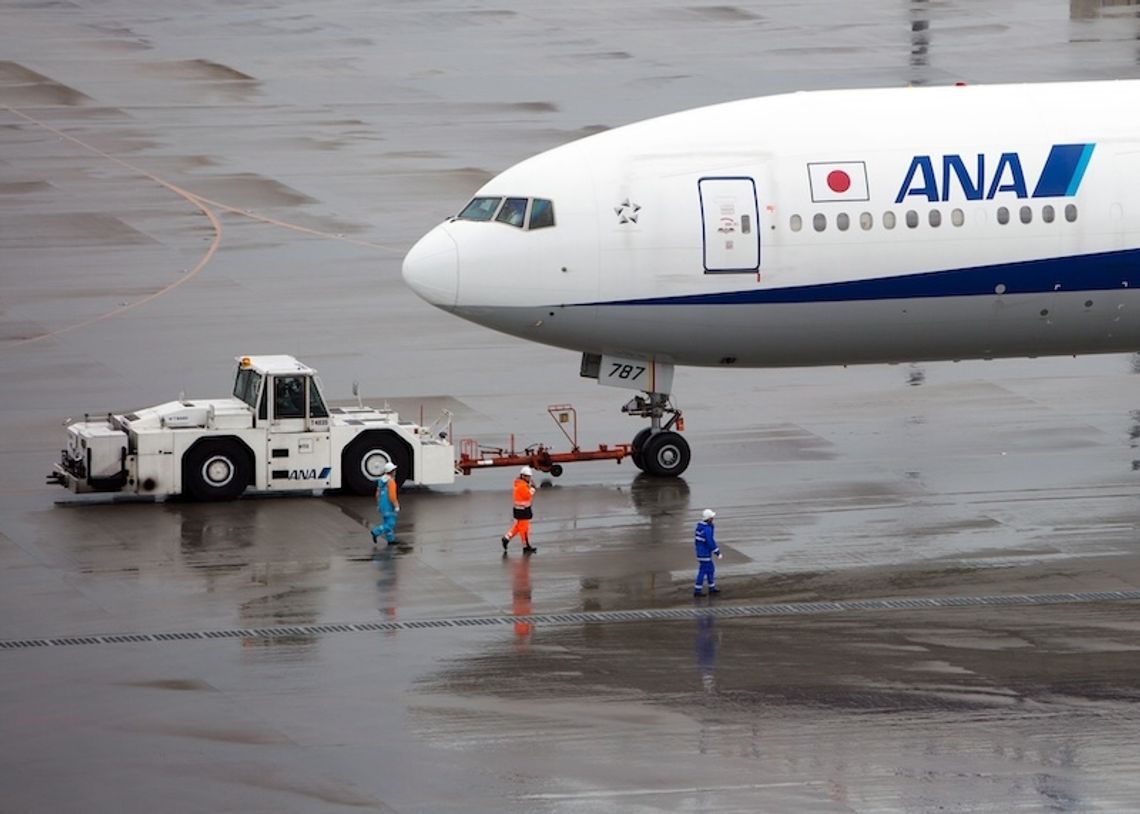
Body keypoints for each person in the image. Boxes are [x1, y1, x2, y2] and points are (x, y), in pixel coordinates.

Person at [501, 465, 537, 554]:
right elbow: (527, 495)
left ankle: (506, 538)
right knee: (524, 530)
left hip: (520, 510)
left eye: (530, 476)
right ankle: (526, 546)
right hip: (523, 511)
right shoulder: (522, 486)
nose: (529, 478)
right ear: (523, 476)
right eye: (528, 476)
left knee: (518, 527)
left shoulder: (520, 483)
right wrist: (533, 488)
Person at [370, 462, 400, 544]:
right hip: (389, 506)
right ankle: (375, 531)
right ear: (392, 471)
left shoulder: (381, 481)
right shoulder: (391, 482)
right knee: (390, 524)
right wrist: (396, 505)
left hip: (382, 505)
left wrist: (378, 504)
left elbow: (377, 494)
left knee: (386, 522)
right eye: (394, 470)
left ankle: (391, 540)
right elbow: (392, 496)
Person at [693, 508, 721, 596]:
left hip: (701, 552)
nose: (713, 519)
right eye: (712, 517)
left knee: (710, 569)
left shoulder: (700, 527)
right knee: (704, 570)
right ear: (709, 518)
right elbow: (710, 541)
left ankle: (711, 587)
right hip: (704, 553)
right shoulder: (707, 529)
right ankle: (698, 591)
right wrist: (717, 552)